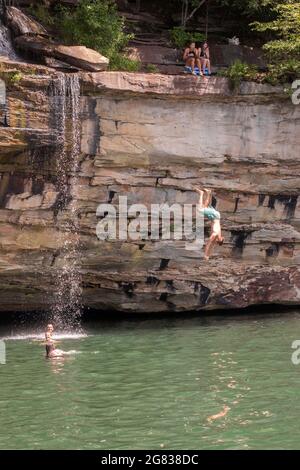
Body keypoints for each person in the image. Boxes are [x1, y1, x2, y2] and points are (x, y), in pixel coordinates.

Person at [195, 187, 224, 260]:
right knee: (200, 210)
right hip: (215, 216)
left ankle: (208, 193)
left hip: (215, 216)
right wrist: (205, 255)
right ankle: (202, 194)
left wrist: (208, 255)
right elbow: (208, 244)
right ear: (219, 240)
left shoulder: (219, 234)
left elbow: (212, 246)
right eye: (218, 241)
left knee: (204, 206)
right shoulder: (215, 234)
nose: (216, 241)